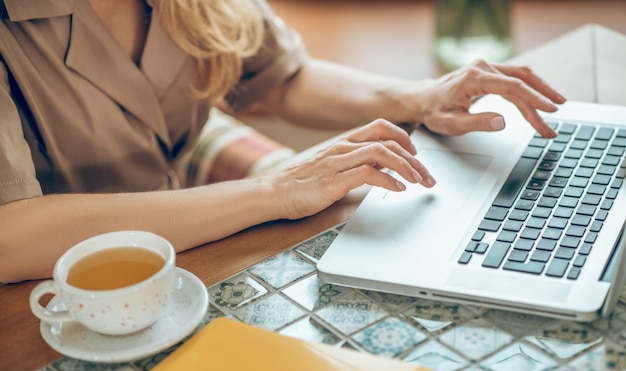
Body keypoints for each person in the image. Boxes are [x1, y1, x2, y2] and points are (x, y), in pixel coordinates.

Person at [0, 0, 565, 284]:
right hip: (46, 295)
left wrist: (417, 97)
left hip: (177, 248)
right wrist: (273, 192)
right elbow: (9, 235)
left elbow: (277, 78)